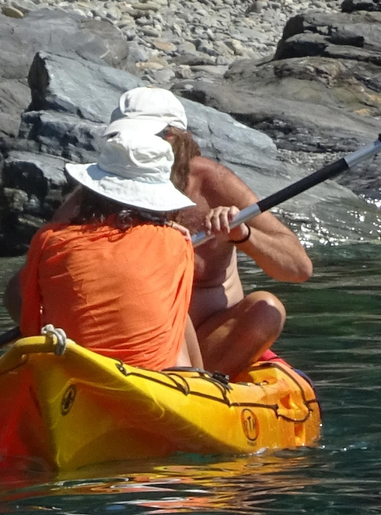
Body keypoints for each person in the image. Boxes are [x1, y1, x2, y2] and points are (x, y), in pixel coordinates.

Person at [112, 87, 313, 376]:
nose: (131, 149)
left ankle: (199, 392)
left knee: (266, 309)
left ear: (174, 139)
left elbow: (298, 268)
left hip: (211, 347)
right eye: (123, 139)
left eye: (142, 139)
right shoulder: (104, 187)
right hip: (133, 343)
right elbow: (28, 282)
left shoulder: (211, 183)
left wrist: (243, 235)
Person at [4, 119, 202, 371]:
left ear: (91, 190)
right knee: (178, 319)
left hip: (71, 371)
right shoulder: (177, 243)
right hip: (153, 380)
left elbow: (30, 323)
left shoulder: (49, 240)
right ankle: (206, 382)